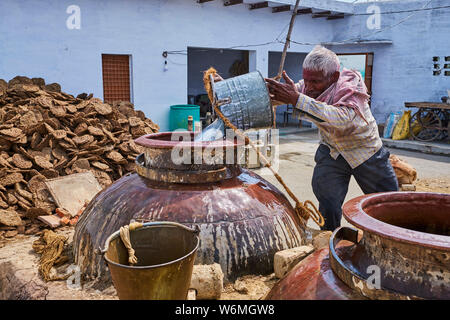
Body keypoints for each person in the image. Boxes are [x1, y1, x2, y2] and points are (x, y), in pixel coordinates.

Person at [265, 45, 398, 231]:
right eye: (306, 80)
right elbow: (279, 96)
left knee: (388, 203)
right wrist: (237, 91)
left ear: (334, 77)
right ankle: (330, 237)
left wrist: (297, 99)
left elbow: (343, 120)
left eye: (315, 82)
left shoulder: (351, 84)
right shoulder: (307, 85)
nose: (309, 87)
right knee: (327, 198)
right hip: (332, 150)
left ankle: (391, 236)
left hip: (365, 151)